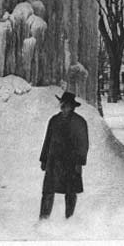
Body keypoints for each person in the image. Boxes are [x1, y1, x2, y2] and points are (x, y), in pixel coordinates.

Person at [39, 91, 89, 220]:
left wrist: (79, 163)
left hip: (71, 163)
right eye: (62, 104)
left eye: (66, 105)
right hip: (54, 162)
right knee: (48, 191)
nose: (64, 107)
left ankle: (69, 219)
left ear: (72, 106)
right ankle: (43, 218)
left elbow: (83, 144)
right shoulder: (54, 120)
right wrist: (44, 159)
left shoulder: (79, 122)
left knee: (70, 192)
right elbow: (48, 140)